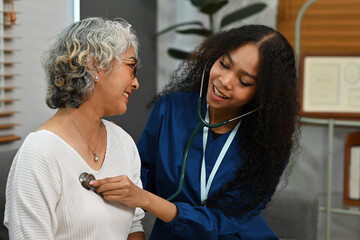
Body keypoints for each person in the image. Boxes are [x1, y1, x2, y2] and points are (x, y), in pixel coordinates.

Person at [90, 24, 299, 239]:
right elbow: (139, 175)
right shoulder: (171, 109)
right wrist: (114, 145)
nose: (225, 81)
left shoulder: (268, 144)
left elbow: (224, 221)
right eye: (224, 64)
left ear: (262, 94)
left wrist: (145, 199)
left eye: (244, 81)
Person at [4, 17, 145, 240]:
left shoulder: (124, 142)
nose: (136, 83)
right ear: (94, 65)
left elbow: (134, 226)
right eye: (131, 66)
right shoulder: (38, 154)